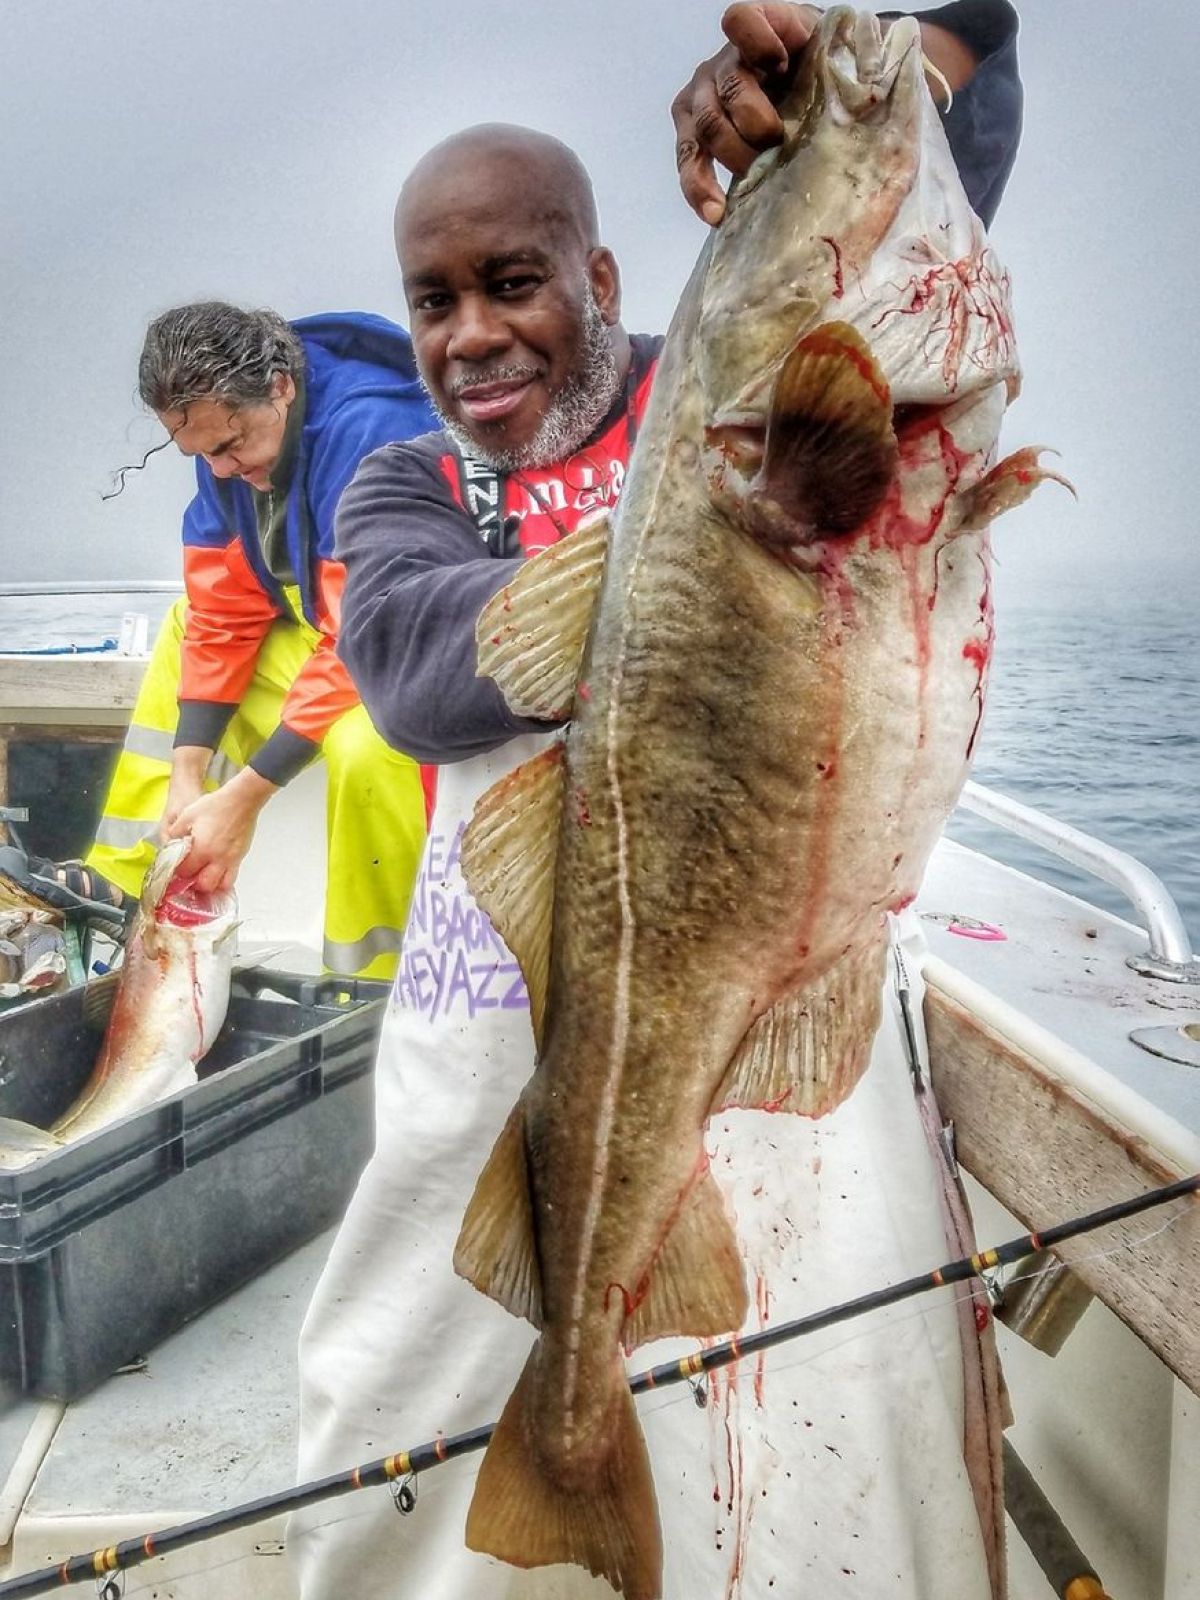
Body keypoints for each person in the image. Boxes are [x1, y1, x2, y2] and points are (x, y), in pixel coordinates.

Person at [292, 3, 1023, 1594]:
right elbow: (415, 673)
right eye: (434, 301)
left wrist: (842, 64)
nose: (473, 333)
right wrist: (684, 565)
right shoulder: (406, 483)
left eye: (515, 281)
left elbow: (944, 132)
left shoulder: (713, 399)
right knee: (386, 1431)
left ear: (604, 282)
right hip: (492, 1047)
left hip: (764, 1005)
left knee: (800, 1480)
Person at [82, 303, 436, 978]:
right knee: (186, 623)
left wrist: (245, 797)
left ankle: (375, 984)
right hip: (348, 631)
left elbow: (366, 632)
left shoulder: (373, 430)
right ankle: (123, 893)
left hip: (430, 656)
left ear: (280, 387)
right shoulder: (224, 436)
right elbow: (223, 608)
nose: (218, 469)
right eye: (199, 452)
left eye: (229, 445)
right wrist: (189, 771)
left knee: (369, 748)